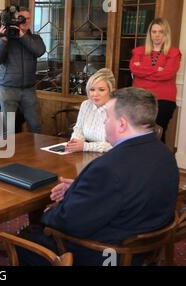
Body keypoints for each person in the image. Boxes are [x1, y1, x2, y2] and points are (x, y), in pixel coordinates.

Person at [17, 87, 179, 266]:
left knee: (25, 241)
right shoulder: (166, 155)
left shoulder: (109, 167)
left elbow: (67, 221)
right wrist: (80, 187)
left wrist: (46, 215)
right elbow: (128, 189)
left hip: (107, 253)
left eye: (107, 117)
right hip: (147, 245)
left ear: (122, 124)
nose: (104, 122)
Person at [0, 7, 46, 134]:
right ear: (15, 20)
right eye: (22, 18)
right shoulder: (5, 39)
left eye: (28, 19)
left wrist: (22, 35)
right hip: (8, 89)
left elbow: (39, 51)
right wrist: (3, 39)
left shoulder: (35, 38)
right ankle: (8, 153)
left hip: (29, 89)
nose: (26, 21)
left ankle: (35, 153)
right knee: (7, 128)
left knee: (36, 125)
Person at [130, 17, 182, 143]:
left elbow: (167, 74)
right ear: (150, 34)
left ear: (166, 34)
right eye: (154, 32)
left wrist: (144, 71)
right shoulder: (139, 51)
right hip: (140, 98)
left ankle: (157, 162)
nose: (157, 35)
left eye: (161, 32)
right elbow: (134, 69)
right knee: (137, 133)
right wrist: (158, 70)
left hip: (164, 99)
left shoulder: (174, 53)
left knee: (156, 134)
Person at [66, 68, 115, 153]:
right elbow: (78, 129)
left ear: (110, 91)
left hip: (109, 157)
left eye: (101, 90)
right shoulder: (86, 104)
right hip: (85, 153)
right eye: (92, 89)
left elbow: (115, 145)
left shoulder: (118, 109)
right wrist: (75, 142)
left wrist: (85, 146)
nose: (95, 94)